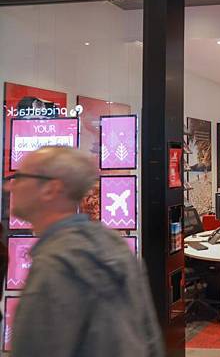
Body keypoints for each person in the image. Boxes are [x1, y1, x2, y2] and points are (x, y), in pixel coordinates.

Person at [6, 146, 163, 357]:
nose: (10, 186)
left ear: (51, 189)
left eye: (20, 177)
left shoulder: (55, 265)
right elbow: (150, 337)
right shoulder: (114, 245)